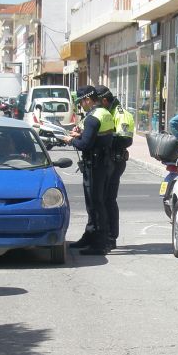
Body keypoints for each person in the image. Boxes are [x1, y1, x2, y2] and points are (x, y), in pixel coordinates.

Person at [63, 86, 114, 255]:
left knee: (95, 204)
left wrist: (70, 140)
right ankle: (91, 236)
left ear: (88, 99)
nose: (81, 106)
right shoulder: (105, 113)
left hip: (95, 164)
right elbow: (97, 138)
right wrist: (82, 134)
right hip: (103, 162)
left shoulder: (93, 118)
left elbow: (85, 144)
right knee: (97, 203)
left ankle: (99, 243)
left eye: (82, 102)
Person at [97, 86, 134, 251]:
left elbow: (125, 140)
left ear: (104, 100)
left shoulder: (120, 113)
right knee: (101, 198)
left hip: (114, 161)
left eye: (98, 102)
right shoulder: (107, 112)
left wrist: (104, 138)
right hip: (105, 160)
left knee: (108, 199)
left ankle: (111, 237)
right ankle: (102, 234)